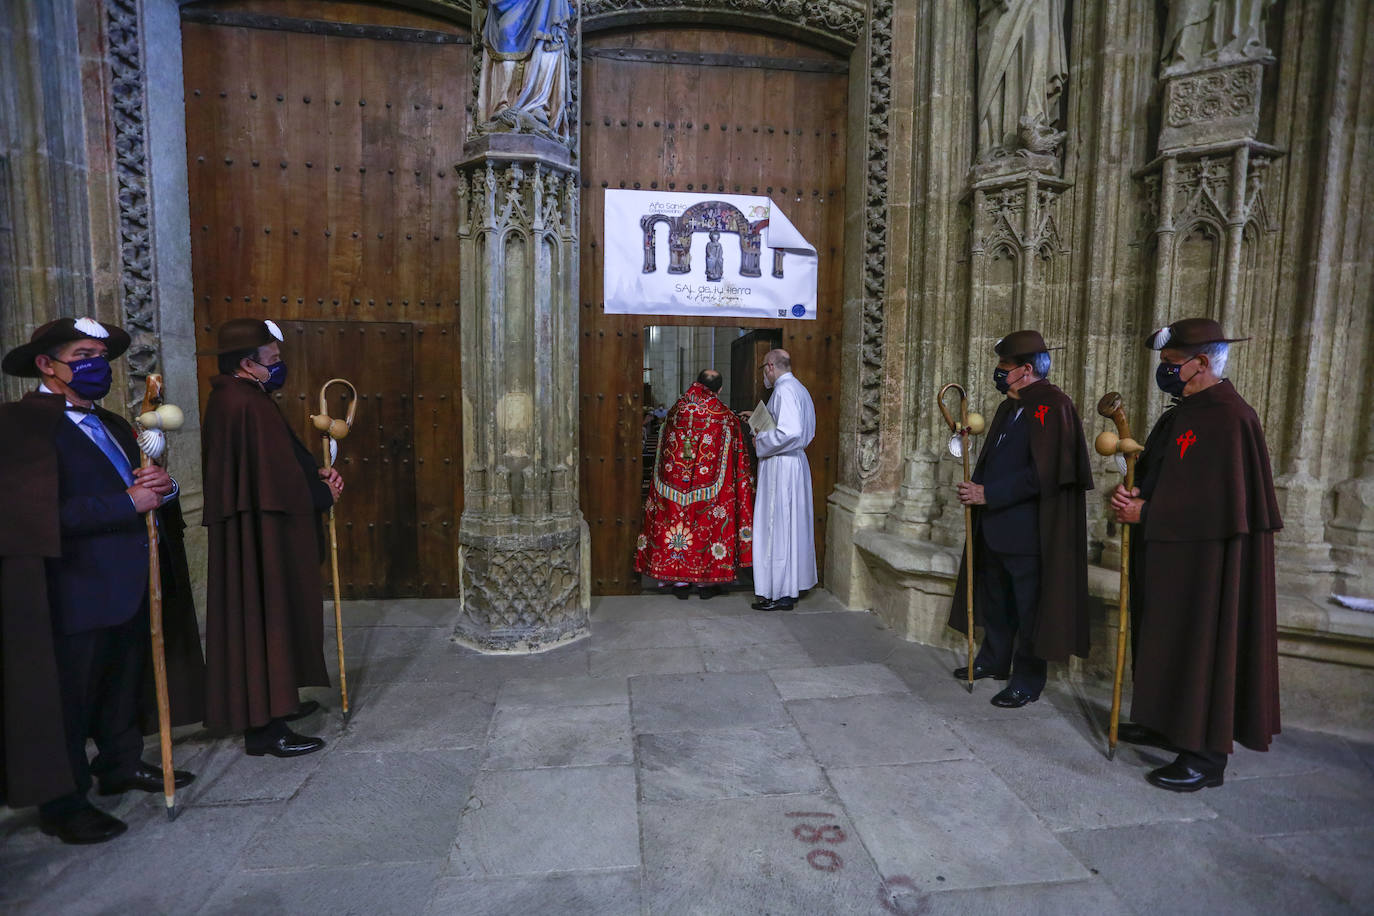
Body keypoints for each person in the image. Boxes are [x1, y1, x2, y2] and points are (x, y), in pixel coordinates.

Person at [0, 317, 203, 845]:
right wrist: (123, 504)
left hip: (131, 579)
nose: (97, 367)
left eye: (100, 357)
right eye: (83, 356)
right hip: (73, 586)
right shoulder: (19, 426)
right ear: (46, 365)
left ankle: (120, 762)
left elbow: (143, 484)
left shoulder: (113, 423)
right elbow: (29, 514)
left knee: (121, 681)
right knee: (69, 695)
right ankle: (64, 802)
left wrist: (167, 485)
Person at [1110, 317, 1281, 791]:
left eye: (1170, 364)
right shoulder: (1180, 412)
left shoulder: (1232, 417)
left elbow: (1225, 506)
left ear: (1202, 363)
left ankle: (1205, 757)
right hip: (1167, 556)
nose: (1163, 372)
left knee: (1200, 646)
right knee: (1162, 639)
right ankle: (1165, 723)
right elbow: (1160, 473)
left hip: (1205, 568)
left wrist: (1149, 513)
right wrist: (1131, 492)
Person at [201, 318, 343, 758]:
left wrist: (311, 473)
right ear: (247, 364)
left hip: (264, 531)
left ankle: (275, 702)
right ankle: (265, 728)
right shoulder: (244, 405)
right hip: (260, 538)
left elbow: (272, 467)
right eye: (273, 361)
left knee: (273, 619)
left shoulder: (242, 397)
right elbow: (271, 483)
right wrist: (322, 493)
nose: (279, 367)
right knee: (265, 619)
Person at [948, 330, 1094, 707]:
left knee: (1030, 606)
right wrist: (976, 484)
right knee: (996, 597)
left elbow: (1046, 473)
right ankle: (995, 659)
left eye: (1004, 367)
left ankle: (1027, 680)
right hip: (996, 524)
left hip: (1029, 530)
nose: (998, 373)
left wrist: (988, 493)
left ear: (1026, 369)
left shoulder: (1051, 405)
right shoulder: (1010, 405)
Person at [636, 370, 754, 598]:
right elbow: (738, 454)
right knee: (705, 525)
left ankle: (679, 583)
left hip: (672, 484)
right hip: (710, 488)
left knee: (676, 523)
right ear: (719, 390)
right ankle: (705, 584)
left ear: (698, 382)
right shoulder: (724, 416)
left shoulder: (675, 411)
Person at [750, 349, 816, 611]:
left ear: (769, 366)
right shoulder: (799, 389)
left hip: (782, 465)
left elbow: (791, 432)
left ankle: (779, 592)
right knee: (790, 526)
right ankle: (789, 587)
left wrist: (760, 440)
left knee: (777, 525)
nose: (764, 377)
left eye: (763, 371)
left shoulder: (783, 390)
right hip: (794, 463)